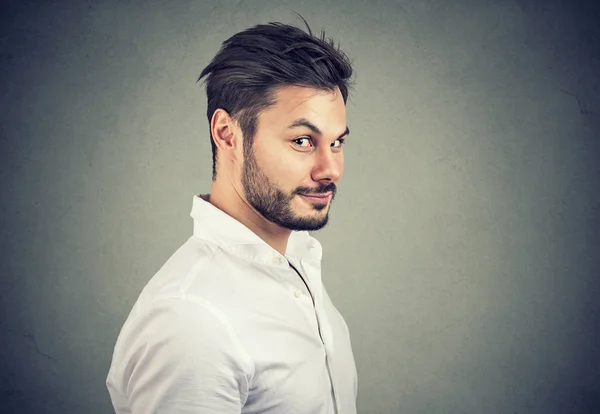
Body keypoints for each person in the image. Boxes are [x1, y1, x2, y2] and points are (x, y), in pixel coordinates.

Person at [106, 17, 358, 414]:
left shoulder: (298, 262)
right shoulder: (189, 320)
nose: (331, 169)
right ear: (227, 133)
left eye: (337, 142)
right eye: (302, 141)